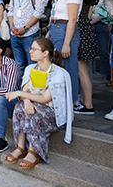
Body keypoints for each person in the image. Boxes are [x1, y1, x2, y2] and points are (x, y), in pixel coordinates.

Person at [5, 37, 73, 169]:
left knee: (35, 112)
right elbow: (25, 89)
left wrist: (20, 94)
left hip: (51, 113)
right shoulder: (30, 68)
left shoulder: (58, 73)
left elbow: (45, 99)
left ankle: (33, 151)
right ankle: (20, 147)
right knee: (19, 106)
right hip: (34, 104)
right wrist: (26, 101)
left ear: (45, 53)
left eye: (34, 49)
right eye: (30, 49)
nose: (30, 51)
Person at [48, 0, 82, 105]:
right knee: (57, 67)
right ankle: (61, 101)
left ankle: (73, 101)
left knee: (68, 67)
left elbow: (72, 19)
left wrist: (67, 43)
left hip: (64, 32)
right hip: (56, 29)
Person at [8, 0, 49, 73]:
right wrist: (11, 26)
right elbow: (10, 11)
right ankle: (22, 89)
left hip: (30, 34)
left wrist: (25, 28)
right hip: (15, 34)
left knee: (34, 66)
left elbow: (38, 13)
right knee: (19, 66)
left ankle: (34, 90)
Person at [72, 0, 100, 115]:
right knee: (85, 71)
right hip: (88, 31)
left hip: (78, 31)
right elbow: (89, 16)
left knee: (80, 71)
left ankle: (87, 104)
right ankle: (85, 101)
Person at [89, 0, 112, 85]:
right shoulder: (86, 0)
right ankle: (91, 74)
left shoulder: (103, 0)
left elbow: (104, 15)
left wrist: (91, 23)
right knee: (90, 52)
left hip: (101, 25)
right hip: (89, 27)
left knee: (104, 52)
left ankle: (107, 75)